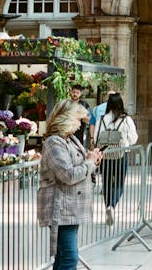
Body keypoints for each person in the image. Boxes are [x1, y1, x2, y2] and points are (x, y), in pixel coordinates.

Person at [37, 99, 102, 270]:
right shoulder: (53, 142)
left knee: (63, 257)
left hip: (72, 206)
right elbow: (68, 175)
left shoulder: (71, 139)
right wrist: (89, 162)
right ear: (67, 119)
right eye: (78, 120)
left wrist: (93, 160)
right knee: (70, 257)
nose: (80, 125)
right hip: (61, 207)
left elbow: (80, 165)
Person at [94, 93, 137, 226]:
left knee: (106, 183)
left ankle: (108, 206)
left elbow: (96, 138)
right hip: (121, 154)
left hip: (105, 156)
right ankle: (112, 206)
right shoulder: (126, 120)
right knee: (119, 184)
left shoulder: (101, 119)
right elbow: (133, 138)